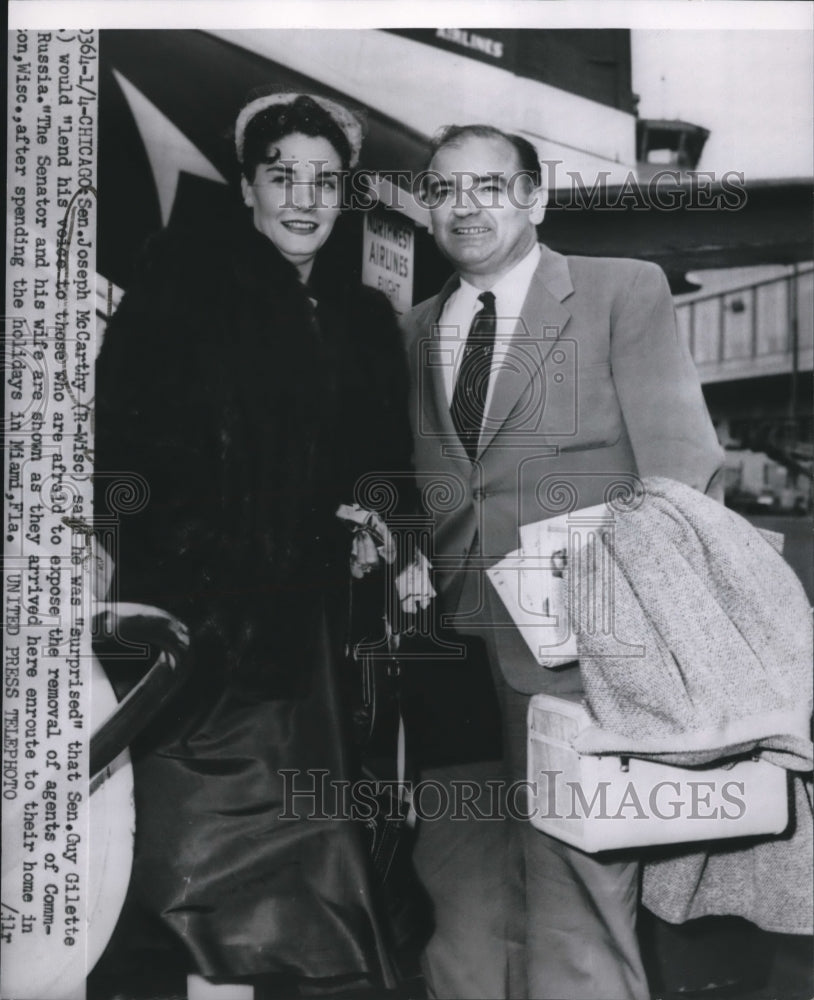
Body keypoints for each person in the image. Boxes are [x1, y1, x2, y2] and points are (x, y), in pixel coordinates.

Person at [94, 92, 415, 1000]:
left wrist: (371, 522)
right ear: (247, 187)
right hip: (206, 637)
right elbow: (125, 454)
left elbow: (379, 465)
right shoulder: (183, 285)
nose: (303, 198)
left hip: (312, 644)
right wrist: (199, 577)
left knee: (297, 885)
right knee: (197, 871)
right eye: (283, 177)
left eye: (324, 181)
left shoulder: (360, 319)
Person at [402, 124, 725, 1000]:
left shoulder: (622, 292)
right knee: (460, 894)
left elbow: (682, 471)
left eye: (489, 186)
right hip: (450, 659)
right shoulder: (415, 327)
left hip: (579, 652)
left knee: (577, 888)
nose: (464, 206)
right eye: (443, 189)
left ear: (536, 198)